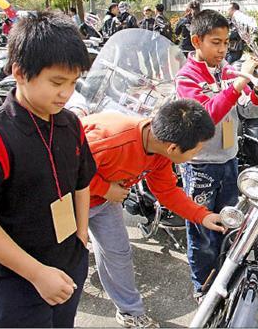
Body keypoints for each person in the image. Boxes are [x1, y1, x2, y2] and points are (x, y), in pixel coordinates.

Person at [0, 11, 96, 327]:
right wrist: (37, 273)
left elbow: (82, 182)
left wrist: (81, 237)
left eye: (73, 82)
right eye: (56, 82)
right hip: (14, 277)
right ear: (19, 72)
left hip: (67, 263)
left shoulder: (71, 123)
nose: (66, 93)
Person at [81, 99, 223, 328]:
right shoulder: (112, 140)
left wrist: (202, 216)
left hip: (105, 202)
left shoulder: (159, 152)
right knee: (61, 263)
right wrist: (106, 189)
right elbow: (63, 169)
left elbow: (166, 191)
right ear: (174, 148)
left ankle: (130, 312)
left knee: (118, 254)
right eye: (197, 150)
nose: (197, 155)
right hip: (64, 199)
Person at [175, 9, 258, 302]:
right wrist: (239, 83)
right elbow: (207, 116)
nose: (223, 49)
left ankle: (224, 278)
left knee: (228, 225)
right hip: (200, 166)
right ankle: (202, 286)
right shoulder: (187, 78)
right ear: (196, 41)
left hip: (229, 161)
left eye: (226, 42)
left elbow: (249, 111)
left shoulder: (226, 69)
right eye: (216, 42)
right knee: (202, 232)